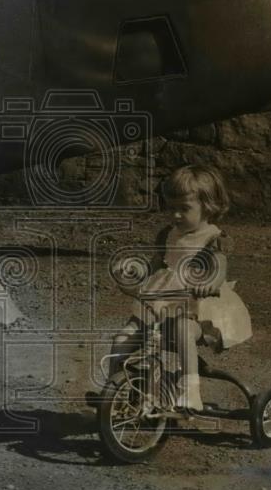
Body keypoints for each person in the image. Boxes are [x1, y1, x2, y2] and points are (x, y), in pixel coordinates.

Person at [94, 164, 233, 412]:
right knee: (122, 338)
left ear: (207, 207)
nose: (176, 215)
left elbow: (219, 269)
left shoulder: (213, 238)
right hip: (160, 302)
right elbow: (155, 265)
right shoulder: (168, 234)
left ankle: (190, 390)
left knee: (182, 330)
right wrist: (135, 272)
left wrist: (208, 283)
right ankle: (114, 391)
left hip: (195, 309)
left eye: (184, 209)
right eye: (172, 208)